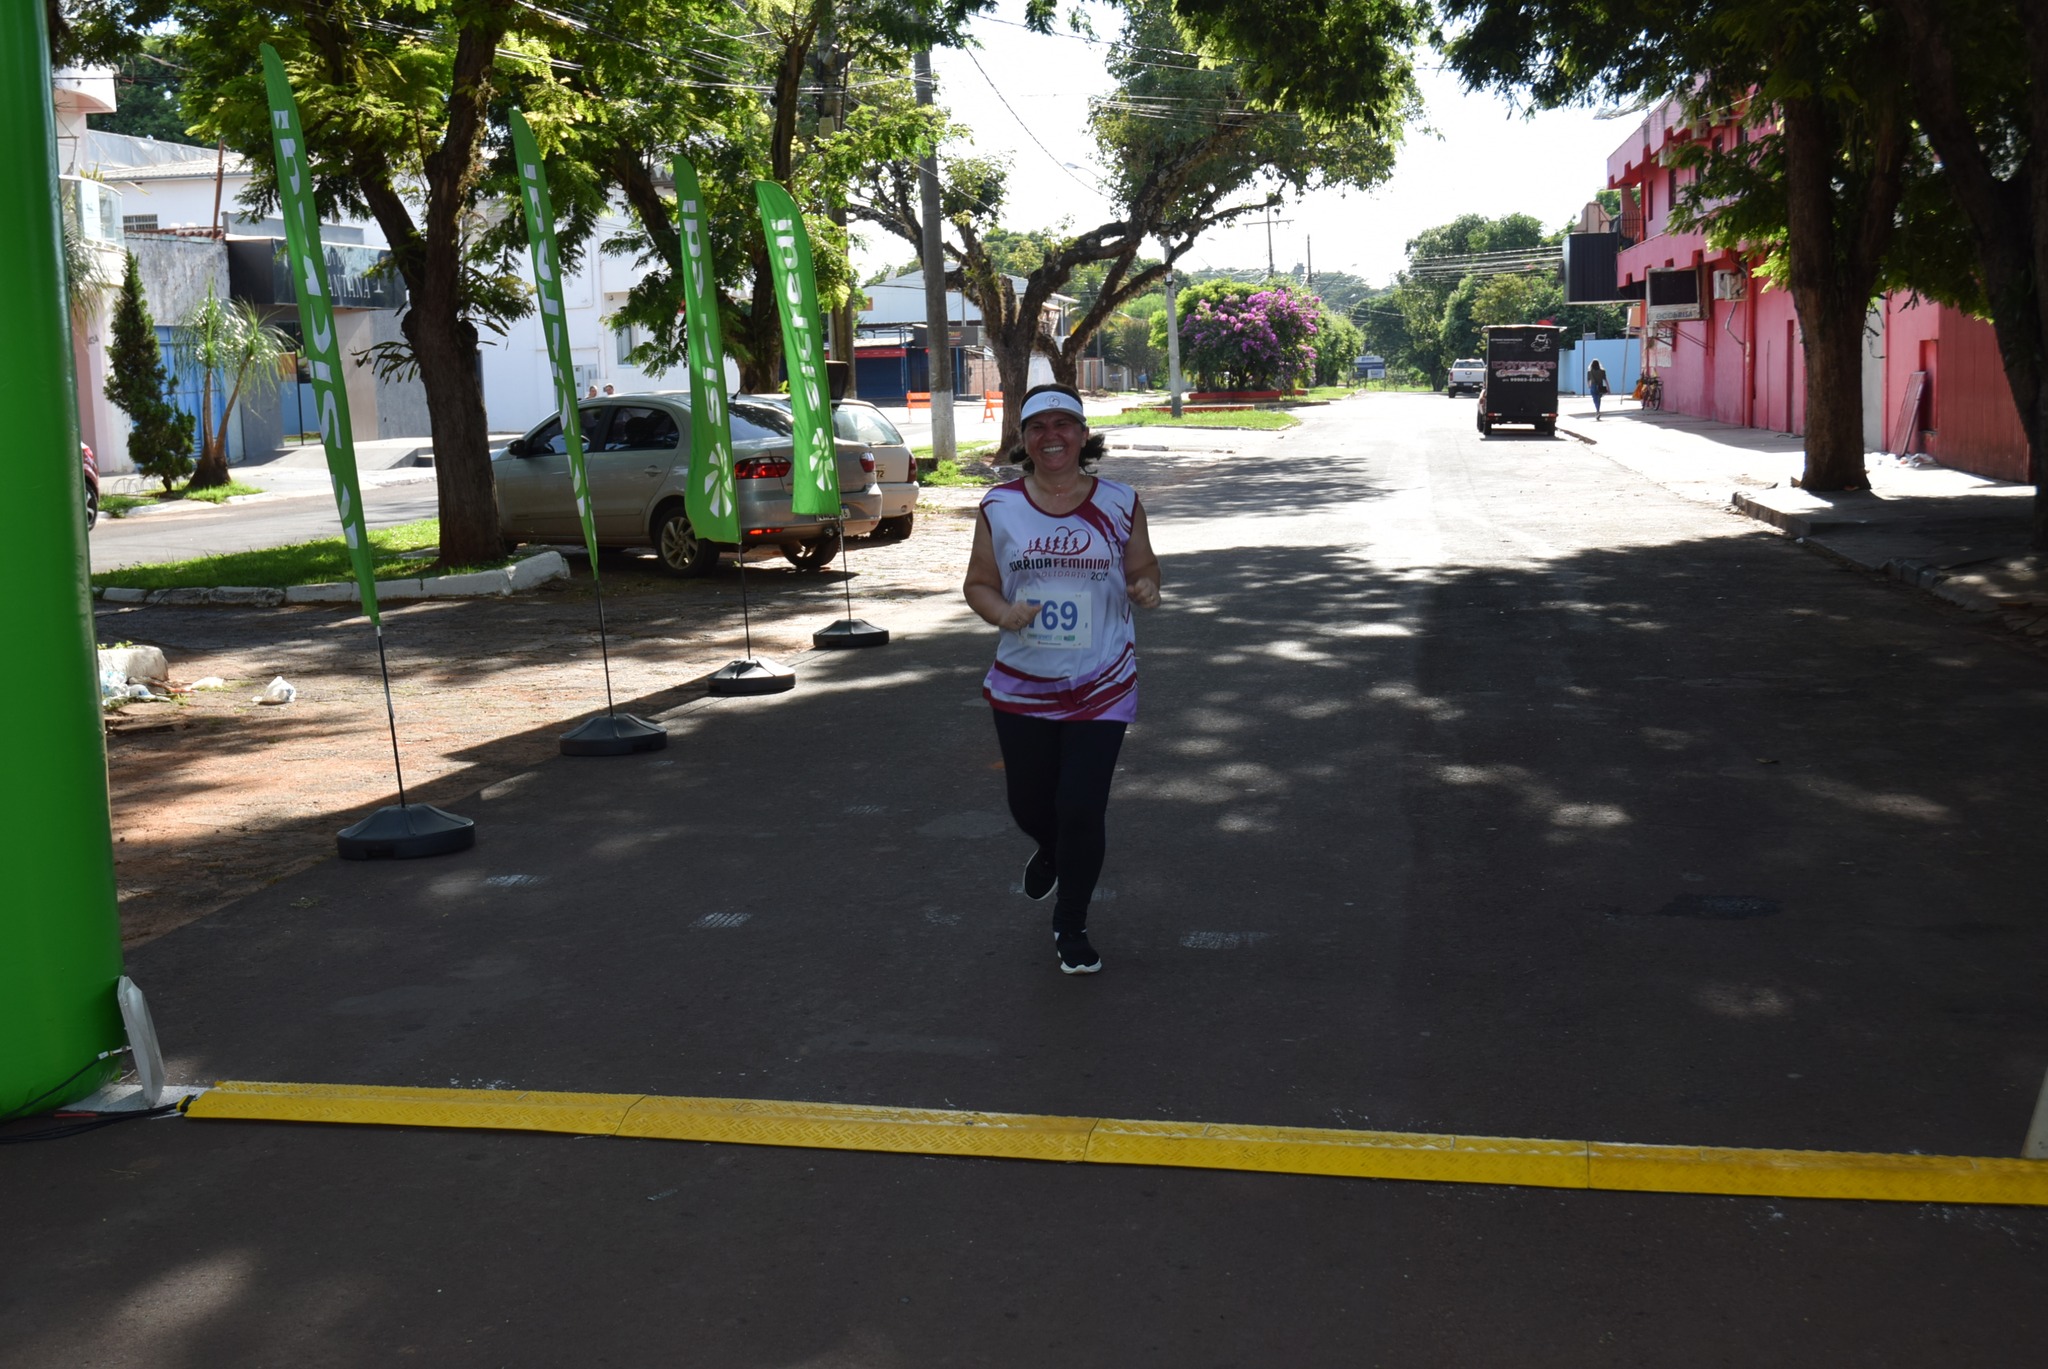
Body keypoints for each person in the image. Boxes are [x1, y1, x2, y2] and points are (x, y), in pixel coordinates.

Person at [962, 383, 1161, 975]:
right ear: (1023, 440)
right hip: (1022, 682)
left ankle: (1070, 922)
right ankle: (1049, 848)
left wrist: (1146, 585)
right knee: (1030, 806)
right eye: (1037, 428)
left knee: (1080, 806)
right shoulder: (1000, 505)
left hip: (1103, 680)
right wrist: (1003, 613)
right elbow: (978, 582)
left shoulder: (1120, 501)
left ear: (1082, 434)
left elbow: (1144, 564)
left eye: (1064, 425)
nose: (1052, 436)